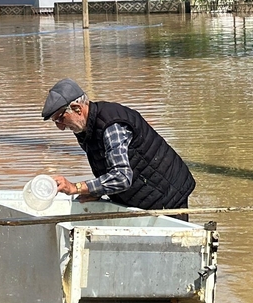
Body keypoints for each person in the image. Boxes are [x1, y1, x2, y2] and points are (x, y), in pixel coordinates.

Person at [41, 78, 196, 218]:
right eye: (56, 122)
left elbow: (121, 177)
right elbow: (108, 167)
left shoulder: (112, 125)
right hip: (142, 192)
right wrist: (95, 191)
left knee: (173, 239)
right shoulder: (83, 128)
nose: (60, 127)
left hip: (167, 194)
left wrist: (76, 187)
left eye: (60, 118)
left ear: (77, 109)